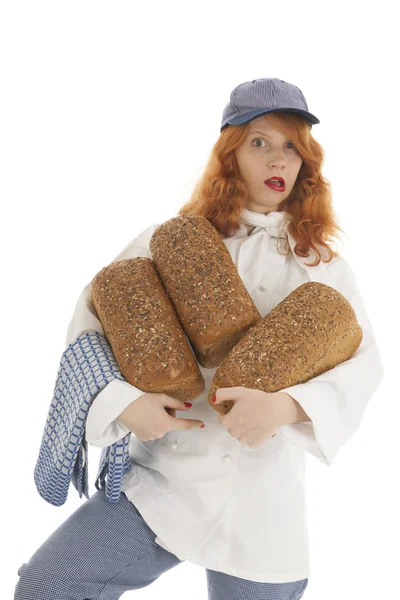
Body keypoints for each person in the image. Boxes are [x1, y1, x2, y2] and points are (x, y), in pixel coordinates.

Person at [14, 78, 384, 600]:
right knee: (50, 584)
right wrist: (126, 403)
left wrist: (287, 408)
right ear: (230, 154)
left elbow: (364, 367)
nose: (278, 160)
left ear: (306, 163)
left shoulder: (323, 268)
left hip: (264, 505)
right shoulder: (172, 238)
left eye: (291, 148)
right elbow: (90, 329)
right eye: (260, 143)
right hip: (164, 480)